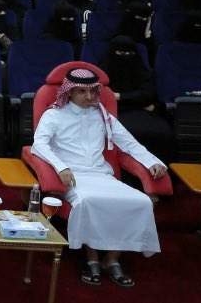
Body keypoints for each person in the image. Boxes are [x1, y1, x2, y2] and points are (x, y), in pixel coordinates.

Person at [32, 67, 165, 288]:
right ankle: (92, 258)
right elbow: (39, 145)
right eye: (82, 92)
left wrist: (151, 161)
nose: (89, 97)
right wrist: (61, 167)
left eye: (93, 91)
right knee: (89, 201)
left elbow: (129, 142)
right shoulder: (54, 114)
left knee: (141, 202)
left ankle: (111, 260)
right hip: (73, 177)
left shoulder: (103, 116)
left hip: (102, 176)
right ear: (70, 91)